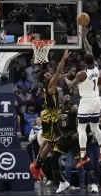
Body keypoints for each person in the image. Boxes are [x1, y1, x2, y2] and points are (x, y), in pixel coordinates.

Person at [64, 27, 101, 169]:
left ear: (84, 61)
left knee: (81, 128)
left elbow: (71, 87)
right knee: (95, 127)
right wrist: (84, 36)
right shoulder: (95, 68)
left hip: (87, 101)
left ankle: (83, 156)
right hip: (97, 100)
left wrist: (66, 78)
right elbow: (89, 49)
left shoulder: (81, 74)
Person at [30, 49, 71, 181]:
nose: (50, 74)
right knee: (51, 144)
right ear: (46, 79)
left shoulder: (49, 84)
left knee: (48, 141)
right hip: (51, 115)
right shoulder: (50, 85)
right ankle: (37, 166)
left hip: (49, 114)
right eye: (48, 74)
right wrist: (63, 59)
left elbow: (59, 75)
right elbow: (58, 72)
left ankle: (36, 163)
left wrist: (66, 75)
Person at [51, 95, 81, 193]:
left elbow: (84, 119)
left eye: (68, 96)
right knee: (54, 159)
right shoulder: (58, 110)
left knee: (82, 161)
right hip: (63, 139)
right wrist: (57, 135)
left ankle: (92, 183)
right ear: (61, 99)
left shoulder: (74, 109)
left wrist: (79, 132)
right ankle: (63, 182)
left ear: (71, 99)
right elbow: (54, 124)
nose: (66, 97)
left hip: (74, 138)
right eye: (65, 96)